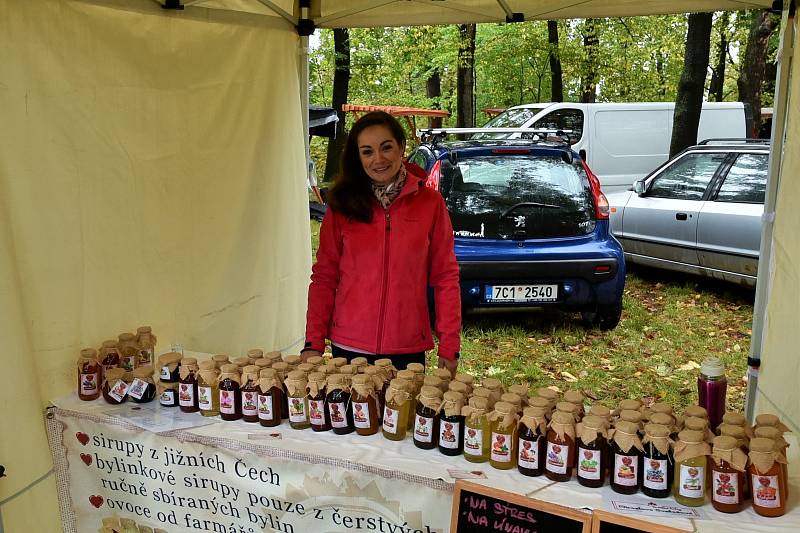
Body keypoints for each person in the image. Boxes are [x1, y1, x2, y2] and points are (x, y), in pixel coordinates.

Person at [301, 111, 461, 375]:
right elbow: (324, 277)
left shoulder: (430, 203)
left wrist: (449, 345)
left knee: (404, 416)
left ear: (401, 146)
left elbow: (445, 277)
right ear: (358, 157)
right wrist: (313, 342)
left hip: (406, 349)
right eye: (367, 151)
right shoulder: (341, 205)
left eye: (386, 147)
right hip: (348, 349)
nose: (378, 159)